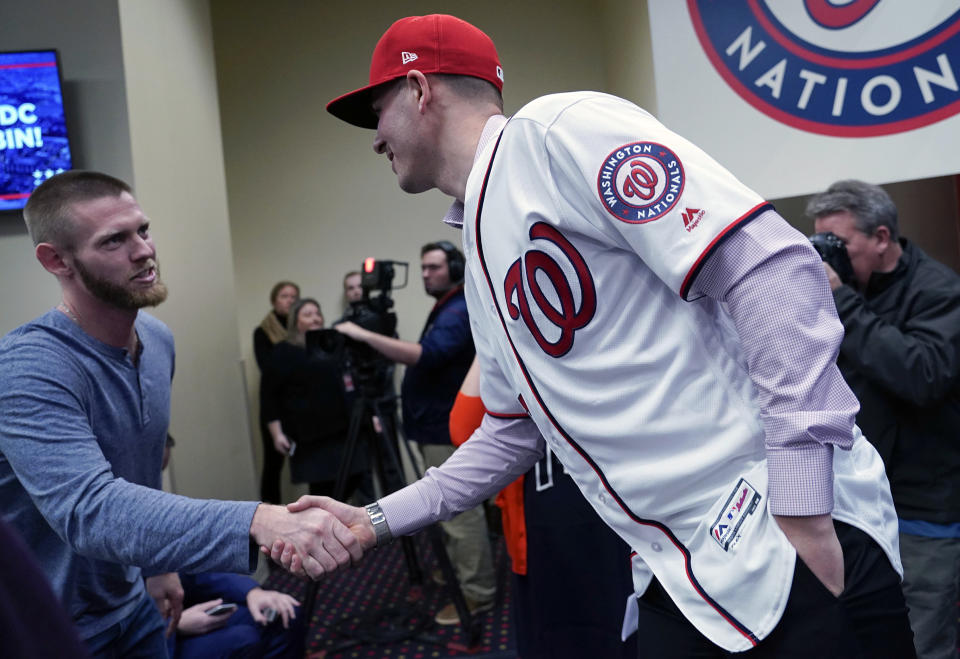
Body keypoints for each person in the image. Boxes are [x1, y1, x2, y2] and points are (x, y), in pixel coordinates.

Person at [270, 14, 916, 657]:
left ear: (418, 89)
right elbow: (509, 432)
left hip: (779, 530)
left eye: (377, 110)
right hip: (683, 565)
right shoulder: (482, 238)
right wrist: (374, 519)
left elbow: (770, 267)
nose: (375, 138)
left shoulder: (557, 133)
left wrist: (802, 504)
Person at [0, 170, 363, 657]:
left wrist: (156, 564)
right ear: (56, 260)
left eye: (142, 231)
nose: (144, 251)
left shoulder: (157, 341)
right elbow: (89, 509)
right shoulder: (29, 367)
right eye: (114, 241)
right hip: (59, 630)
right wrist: (258, 519)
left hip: (135, 607)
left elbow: (142, 468)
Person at [807, 180, 960, 659]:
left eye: (839, 243)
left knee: (924, 639)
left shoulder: (939, 291)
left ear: (880, 237)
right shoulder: (845, 288)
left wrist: (843, 303)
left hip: (923, 505)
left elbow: (923, 376)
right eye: (820, 241)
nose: (827, 253)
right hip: (860, 500)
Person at [334, 240, 494, 625]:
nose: (426, 274)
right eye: (422, 268)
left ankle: (477, 594)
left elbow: (427, 355)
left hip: (444, 426)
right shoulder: (445, 305)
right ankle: (459, 570)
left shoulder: (457, 309)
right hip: (433, 423)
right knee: (448, 510)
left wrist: (363, 335)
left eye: (434, 267)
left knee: (459, 513)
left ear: (454, 268)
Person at [450, 357, 637, 657]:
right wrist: (491, 330)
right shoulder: (515, 348)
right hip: (542, 541)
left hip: (619, 532)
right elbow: (464, 430)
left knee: (622, 638)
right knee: (554, 639)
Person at [161, 435, 305, 659]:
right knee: (242, 641)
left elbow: (192, 571)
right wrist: (173, 626)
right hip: (154, 641)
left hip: (184, 613)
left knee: (285, 615)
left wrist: (251, 591)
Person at [261, 297, 365, 498]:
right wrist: (277, 434)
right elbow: (269, 396)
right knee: (323, 494)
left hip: (344, 433)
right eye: (308, 314)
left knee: (354, 478)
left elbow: (352, 382)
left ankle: (341, 524)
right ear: (295, 321)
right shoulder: (283, 351)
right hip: (310, 439)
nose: (315, 318)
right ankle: (328, 528)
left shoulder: (333, 346)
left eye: (317, 313)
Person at [254, 280, 300, 504]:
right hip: (275, 409)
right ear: (274, 300)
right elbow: (268, 369)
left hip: (300, 406)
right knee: (273, 465)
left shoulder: (303, 330)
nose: (290, 301)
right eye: (284, 296)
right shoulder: (263, 332)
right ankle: (270, 512)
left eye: (293, 297)